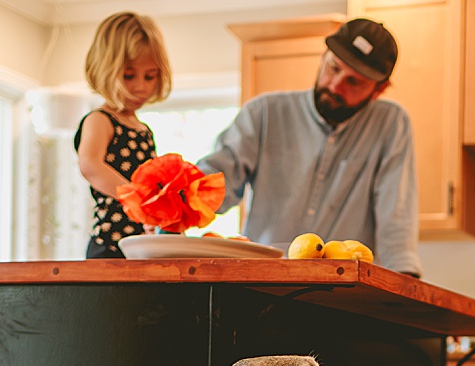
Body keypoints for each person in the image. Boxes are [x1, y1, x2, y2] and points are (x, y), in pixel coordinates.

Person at [195, 19, 421, 275]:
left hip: (343, 291)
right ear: (323, 56)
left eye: (353, 82)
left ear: (379, 90)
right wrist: (173, 201)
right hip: (262, 281)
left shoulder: (390, 125)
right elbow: (212, 184)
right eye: (333, 68)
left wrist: (404, 282)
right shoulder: (264, 114)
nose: (336, 86)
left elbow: (396, 216)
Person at [75, 12, 172, 259]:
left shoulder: (143, 130)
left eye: (150, 76)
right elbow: (90, 165)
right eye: (129, 75)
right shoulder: (101, 120)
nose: (141, 86)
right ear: (104, 69)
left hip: (140, 245)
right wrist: (138, 199)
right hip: (110, 243)